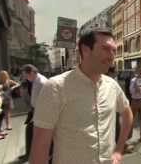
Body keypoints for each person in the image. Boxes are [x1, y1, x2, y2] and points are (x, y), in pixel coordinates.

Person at [29, 28, 133, 164]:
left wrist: (119, 150)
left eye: (114, 50)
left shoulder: (112, 85)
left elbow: (127, 113)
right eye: (105, 49)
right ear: (85, 50)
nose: (111, 55)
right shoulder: (55, 87)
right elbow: (39, 149)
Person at [19, 64, 48, 161]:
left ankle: (30, 155)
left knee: (30, 130)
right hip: (36, 110)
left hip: (41, 111)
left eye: (26, 75)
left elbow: (46, 100)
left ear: (31, 72)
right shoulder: (35, 80)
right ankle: (31, 154)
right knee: (32, 131)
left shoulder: (41, 82)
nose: (26, 78)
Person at [0, 70, 19, 139]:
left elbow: (17, 84)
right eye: (2, 75)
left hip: (6, 98)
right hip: (0, 100)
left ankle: (2, 128)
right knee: (0, 115)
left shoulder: (8, 81)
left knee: (5, 113)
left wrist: (12, 88)